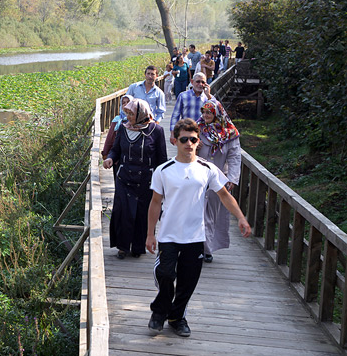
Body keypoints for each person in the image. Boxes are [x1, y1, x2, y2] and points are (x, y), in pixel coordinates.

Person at [145, 118, 251, 337]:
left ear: (198, 141)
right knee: (165, 274)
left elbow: (224, 195)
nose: (189, 144)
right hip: (169, 235)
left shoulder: (207, 169)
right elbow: (155, 202)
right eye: (184, 139)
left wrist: (241, 217)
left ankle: (177, 317)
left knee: (188, 280)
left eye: (193, 139)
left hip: (195, 236)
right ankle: (159, 312)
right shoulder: (164, 170)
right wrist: (150, 234)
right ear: (175, 140)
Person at [103, 98, 167, 259]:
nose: (128, 116)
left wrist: (163, 181)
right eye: (127, 112)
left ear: (141, 113)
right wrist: (110, 158)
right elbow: (115, 150)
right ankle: (123, 247)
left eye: (131, 113)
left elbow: (162, 158)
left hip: (147, 179)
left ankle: (138, 247)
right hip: (124, 177)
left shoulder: (156, 131)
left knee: (142, 214)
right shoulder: (123, 128)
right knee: (123, 212)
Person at [197, 100, 241, 262]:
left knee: (211, 215)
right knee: (198, 214)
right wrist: (194, 145)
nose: (206, 115)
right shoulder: (197, 128)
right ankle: (199, 248)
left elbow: (235, 156)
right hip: (197, 177)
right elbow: (182, 144)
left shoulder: (230, 133)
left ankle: (207, 249)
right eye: (204, 112)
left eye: (209, 112)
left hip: (218, 179)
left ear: (217, 114)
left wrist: (232, 178)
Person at [169, 72, 213, 144]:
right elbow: (175, 115)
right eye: (197, 81)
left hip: (204, 135)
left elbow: (216, 113)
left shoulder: (208, 98)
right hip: (186, 132)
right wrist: (173, 133)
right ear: (192, 82)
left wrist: (209, 96)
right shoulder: (183, 96)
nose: (200, 84)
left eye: (203, 82)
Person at [102, 94, 131, 177]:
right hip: (118, 156)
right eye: (123, 103)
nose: (126, 105)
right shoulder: (117, 120)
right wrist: (106, 152)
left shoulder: (137, 121)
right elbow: (110, 137)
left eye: (128, 102)